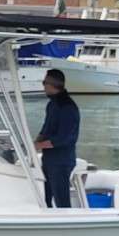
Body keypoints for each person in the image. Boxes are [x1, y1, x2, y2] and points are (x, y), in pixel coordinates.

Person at [34, 69, 80, 208]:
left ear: (53, 84)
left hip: (61, 161)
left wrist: (39, 146)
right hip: (49, 159)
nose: (43, 86)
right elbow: (46, 129)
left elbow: (64, 139)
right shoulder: (52, 105)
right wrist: (35, 142)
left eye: (44, 82)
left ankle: (67, 220)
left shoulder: (67, 107)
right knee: (45, 198)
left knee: (62, 201)